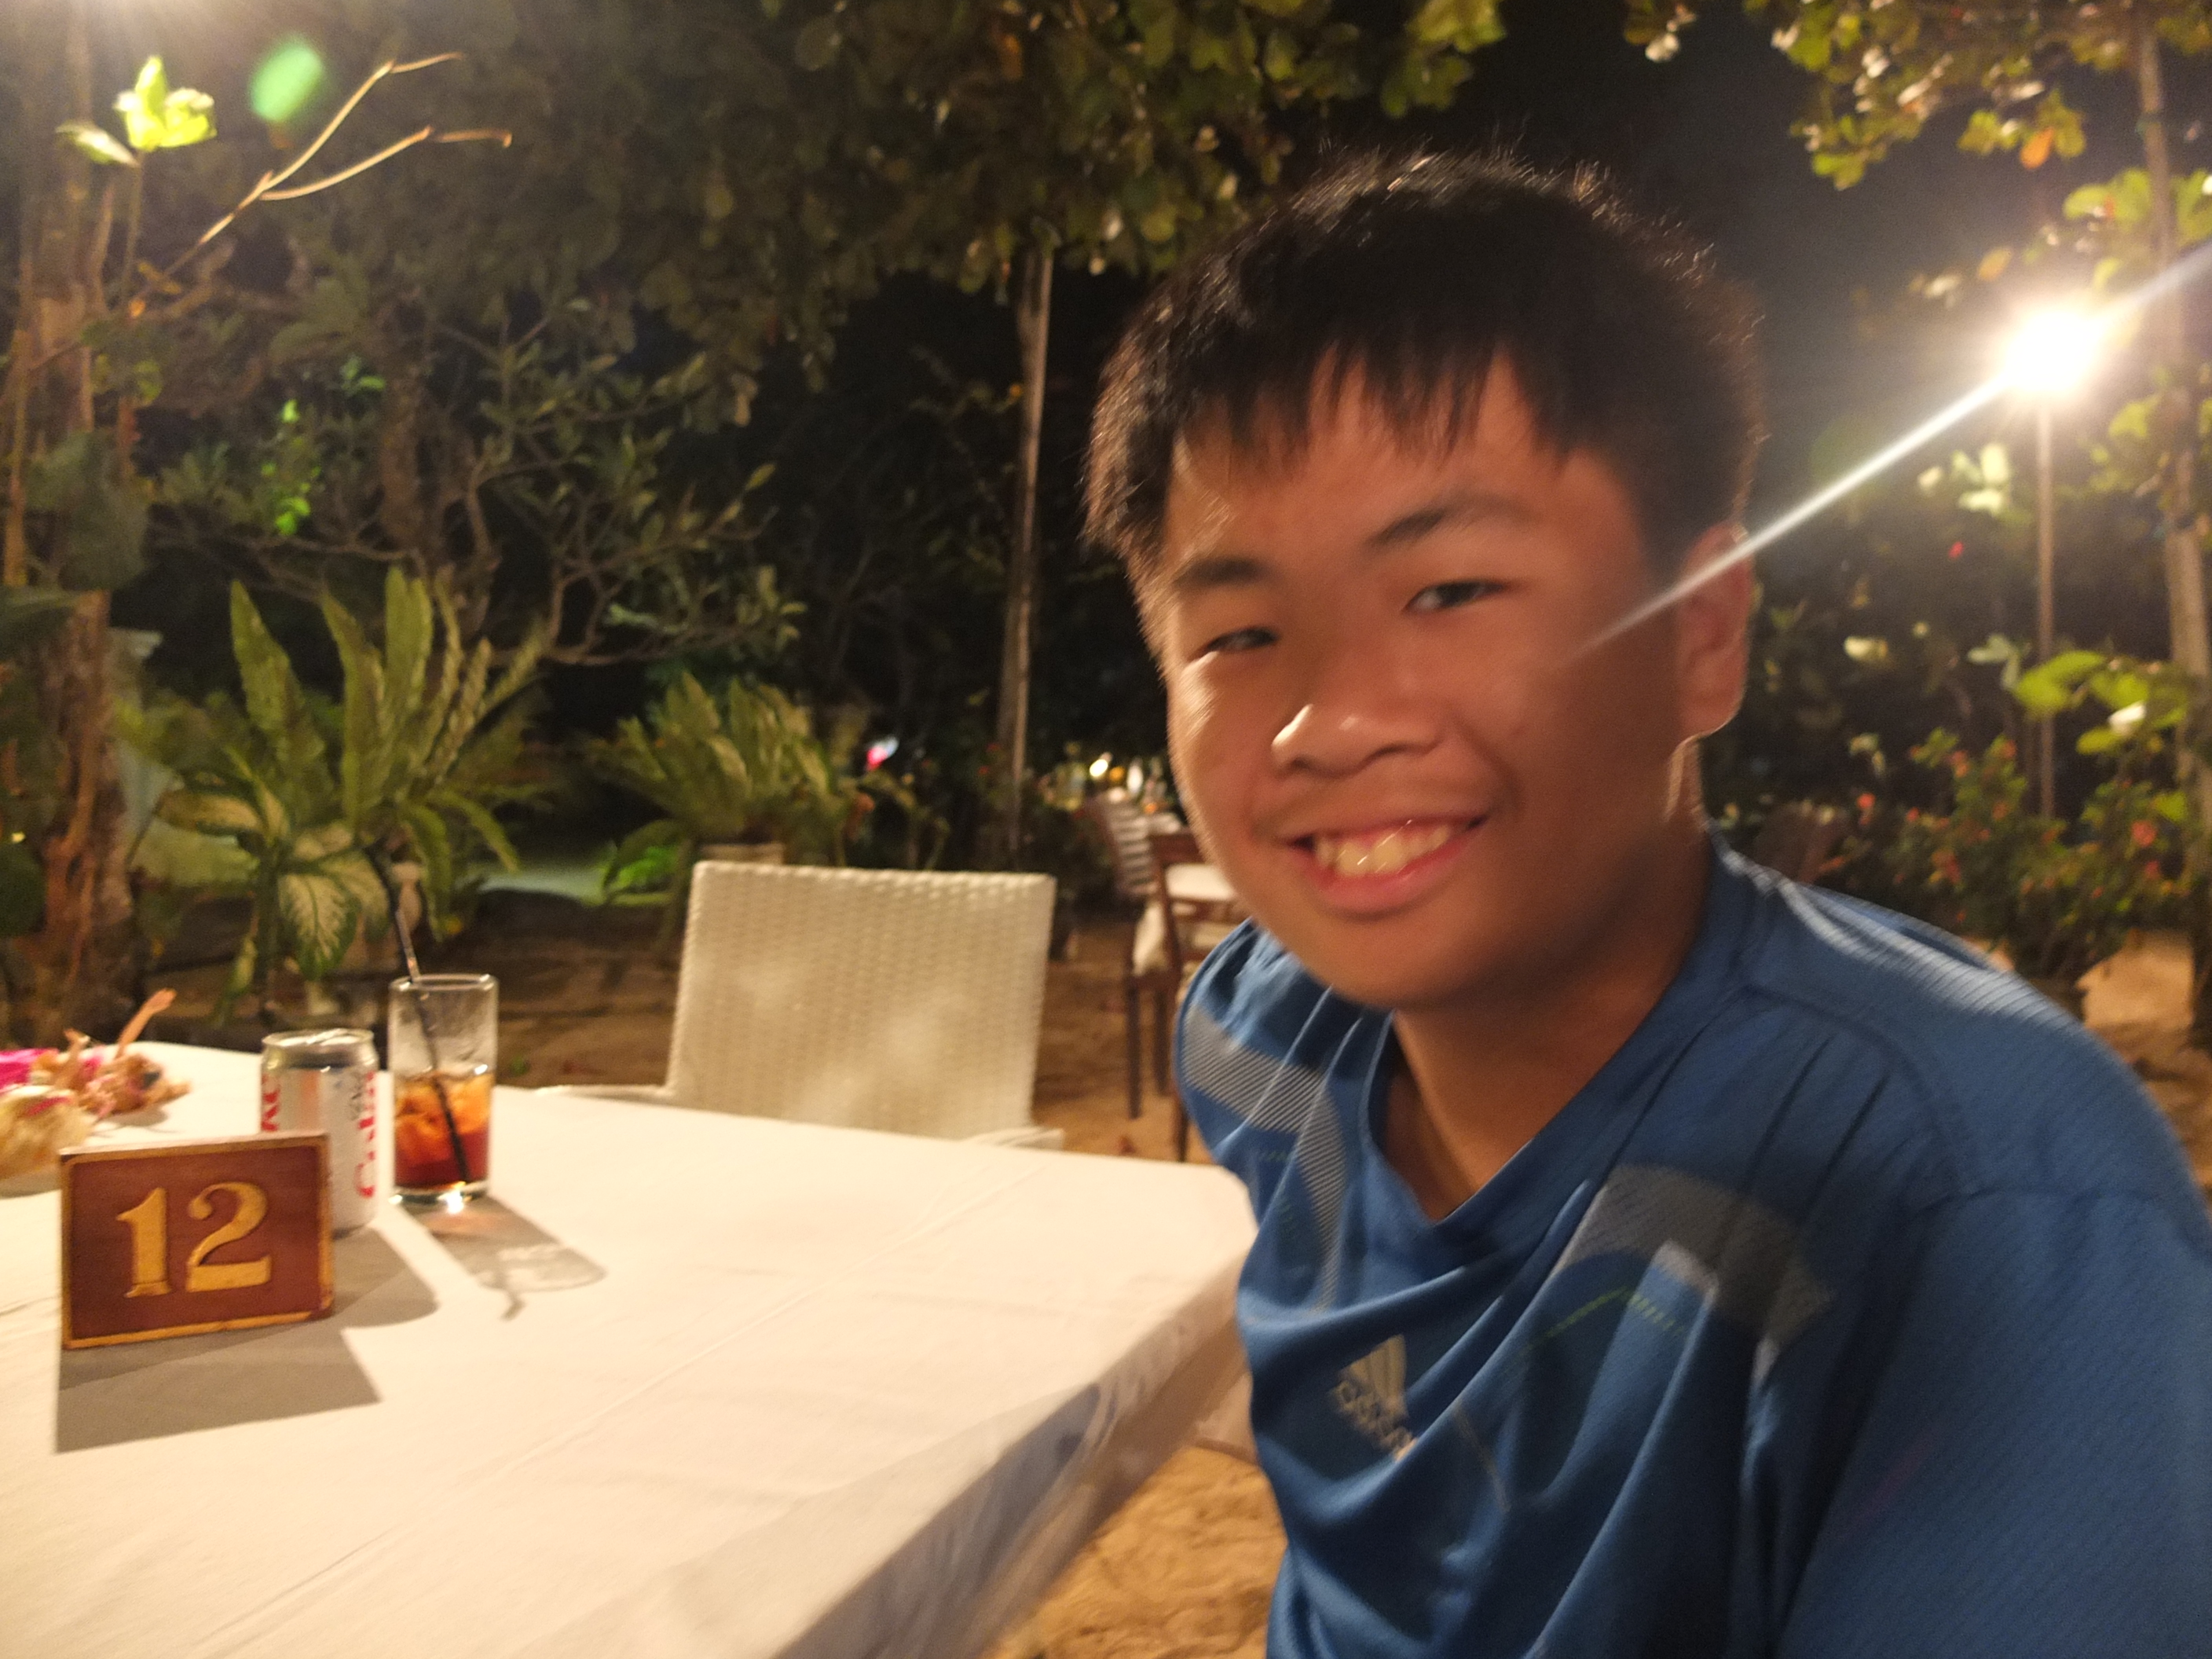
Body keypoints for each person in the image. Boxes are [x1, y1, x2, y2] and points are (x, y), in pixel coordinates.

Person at [1083, 150, 2212, 1657]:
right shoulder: (1256, 1042)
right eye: (1238, 633)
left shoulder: (1978, 1199)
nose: (1328, 722)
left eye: (1450, 590)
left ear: (1702, 632)